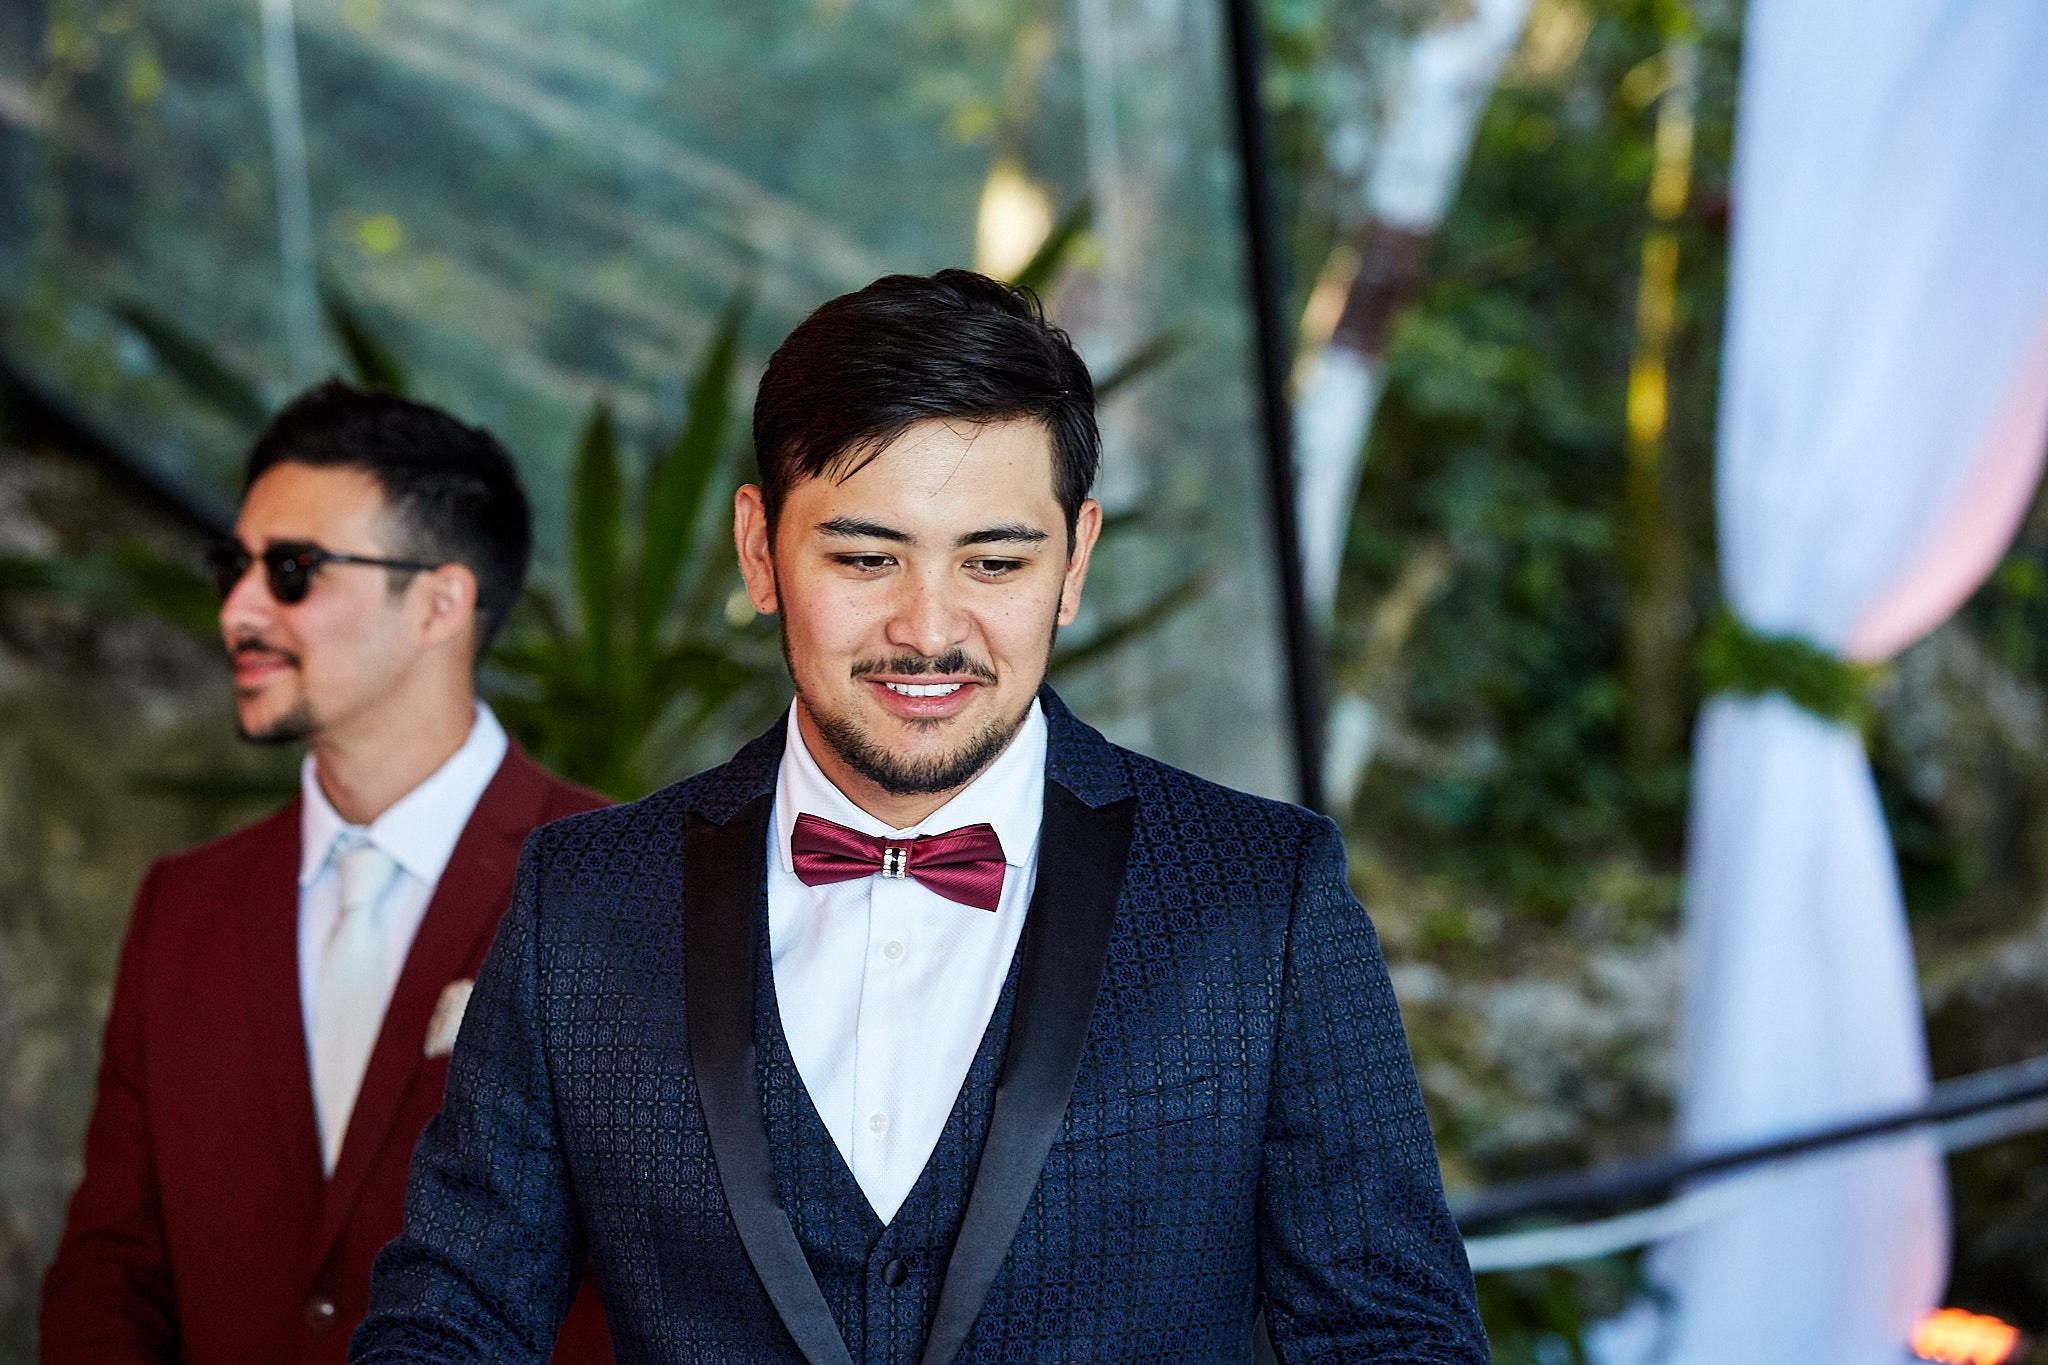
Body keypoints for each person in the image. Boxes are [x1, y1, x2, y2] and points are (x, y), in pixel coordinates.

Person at [354, 271, 1489, 1363]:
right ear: (760, 552)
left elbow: (1389, 1336)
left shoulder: (1263, 895)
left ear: (1074, 559)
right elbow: (450, 1318)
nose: (928, 628)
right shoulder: (583, 899)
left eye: (993, 562)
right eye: (864, 556)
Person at [40, 382, 612, 1365]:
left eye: (293, 571)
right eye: (236, 566)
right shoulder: (183, 905)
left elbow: (657, 1283)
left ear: (439, 602)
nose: (238, 609)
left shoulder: (620, 883)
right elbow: (115, 1267)